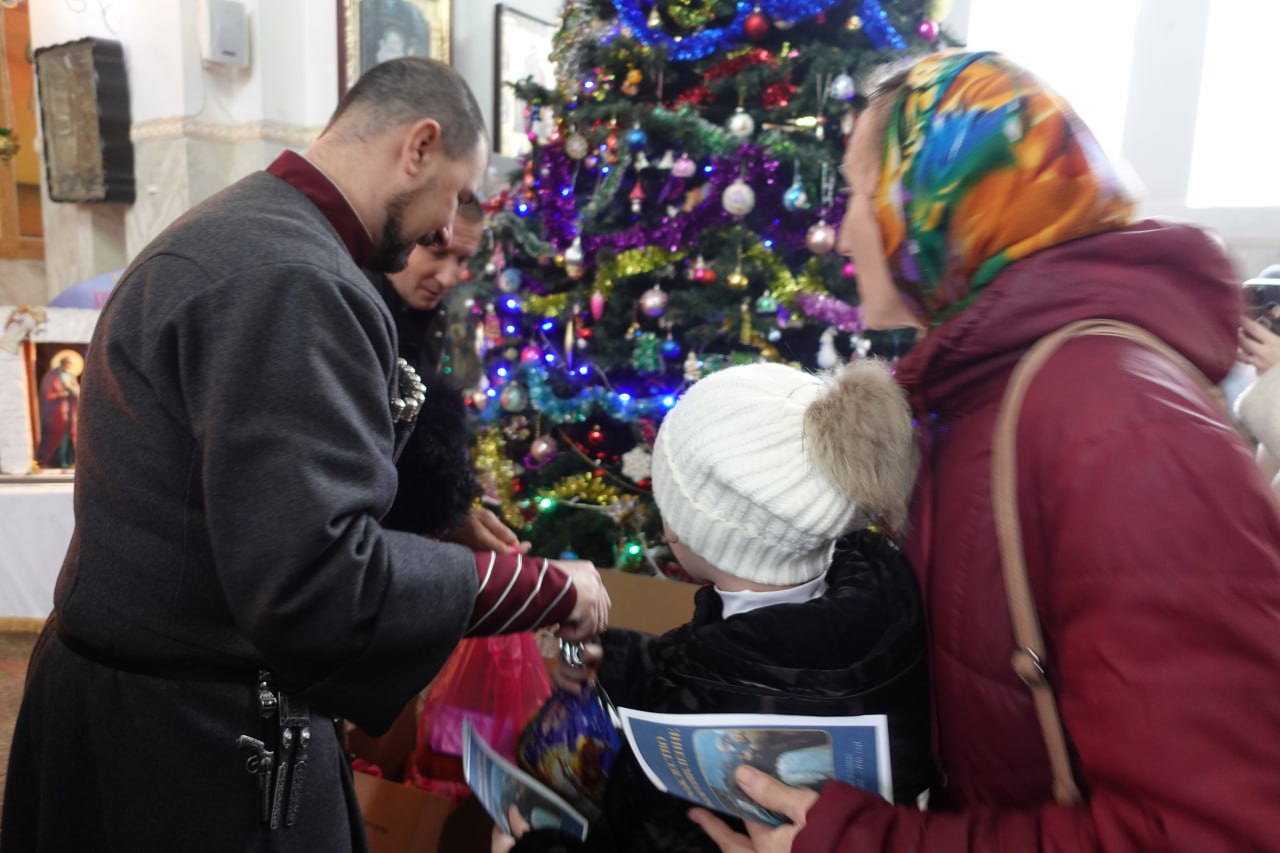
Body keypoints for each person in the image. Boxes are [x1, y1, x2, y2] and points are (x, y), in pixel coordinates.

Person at [1, 57, 609, 853]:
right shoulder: (293, 277)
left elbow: (262, 484)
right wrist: (543, 585)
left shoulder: (249, 225)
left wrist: (443, 517)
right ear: (417, 146)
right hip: (190, 746)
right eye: (455, 195)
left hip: (135, 703)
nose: (444, 227)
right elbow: (318, 578)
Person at [689, 50, 1280, 852]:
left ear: (939, 205)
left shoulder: (1119, 424)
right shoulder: (984, 391)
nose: (841, 232)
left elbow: (1209, 830)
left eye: (865, 191)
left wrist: (859, 842)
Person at [504, 358, 934, 853]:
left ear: (681, 530)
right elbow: (696, 667)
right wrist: (601, 654)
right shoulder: (884, 609)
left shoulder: (708, 704)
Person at [36, 352, 81, 469]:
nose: (69, 366)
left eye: (70, 364)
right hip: (56, 412)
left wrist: (72, 390)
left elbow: (78, 391)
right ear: (62, 363)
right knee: (56, 436)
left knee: (70, 435)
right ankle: (55, 461)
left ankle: (67, 460)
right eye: (67, 363)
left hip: (71, 411)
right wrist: (64, 393)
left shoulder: (71, 376)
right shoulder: (52, 376)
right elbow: (48, 395)